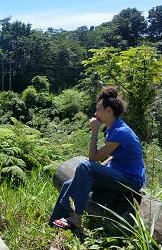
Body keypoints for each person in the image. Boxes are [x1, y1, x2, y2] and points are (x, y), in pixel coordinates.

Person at [49, 86, 145, 234]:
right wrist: (101, 168)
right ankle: (55, 223)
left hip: (131, 181)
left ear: (109, 111)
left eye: (98, 109)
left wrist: (94, 131)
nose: (95, 113)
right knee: (68, 183)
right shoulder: (114, 127)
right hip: (118, 173)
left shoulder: (120, 131)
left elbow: (92, 158)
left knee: (85, 166)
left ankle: (77, 218)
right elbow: (115, 156)